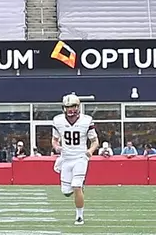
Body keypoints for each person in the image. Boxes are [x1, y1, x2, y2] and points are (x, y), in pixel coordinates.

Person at [52, 93, 99, 225]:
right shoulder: (58, 120)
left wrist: (89, 152)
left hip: (80, 157)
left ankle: (79, 216)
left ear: (78, 106)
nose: (71, 109)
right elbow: (54, 140)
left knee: (76, 185)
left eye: (73, 106)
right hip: (66, 158)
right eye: (68, 107)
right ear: (64, 108)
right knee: (66, 192)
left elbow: (95, 141)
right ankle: (79, 187)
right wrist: (57, 147)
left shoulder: (86, 120)